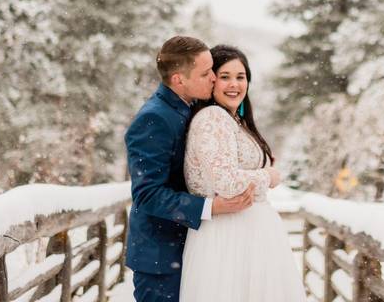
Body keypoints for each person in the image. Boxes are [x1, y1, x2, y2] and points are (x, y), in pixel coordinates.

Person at [124, 35, 256, 302]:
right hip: (161, 258)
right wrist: (211, 206)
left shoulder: (193, 106)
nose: (214, 78)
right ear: (179, 80)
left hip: (196, 249)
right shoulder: (154, 118)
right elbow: (147, 194)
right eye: (206, 73)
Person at [179, 44, 307, 301]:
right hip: (228, 238)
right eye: (225, 77)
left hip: (249, 235)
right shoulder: (213, 117)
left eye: (241, 77)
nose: (234, 84)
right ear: (211, 80)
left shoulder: (234, 120)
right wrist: (269, 176)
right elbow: (226, 182)